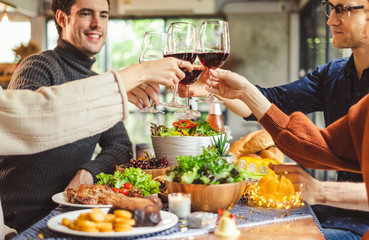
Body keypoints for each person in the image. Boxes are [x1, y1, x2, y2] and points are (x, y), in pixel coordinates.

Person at [180, 0, 369, 238]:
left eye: (343, 9)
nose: (331, 19)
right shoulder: (333, 75)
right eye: (330, 8)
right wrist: (213, 88)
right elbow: (272, 105)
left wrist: (320, 190)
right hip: (330, 211)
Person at [0, 0, 193, 232]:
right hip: (24, 217)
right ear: (62, 19)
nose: (97, 24)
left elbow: (120, 145)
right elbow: (30, 125)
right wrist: (131, 75)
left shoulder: (96, 81)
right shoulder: (38, 66)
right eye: (86, 13)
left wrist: (90, 171)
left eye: (103, 15)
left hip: (74, 210)